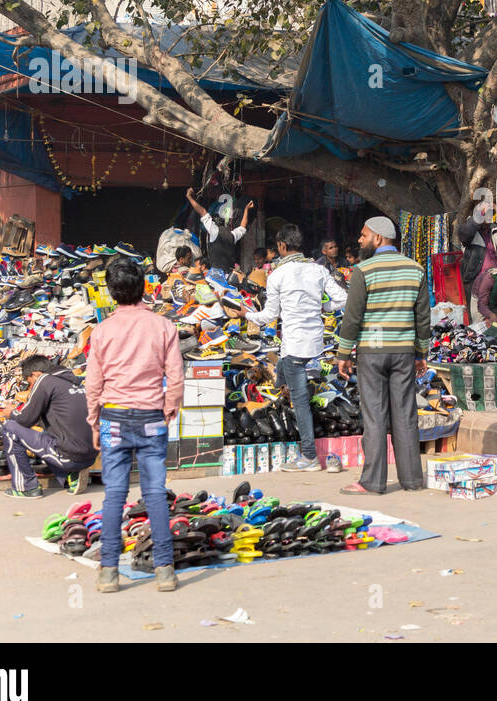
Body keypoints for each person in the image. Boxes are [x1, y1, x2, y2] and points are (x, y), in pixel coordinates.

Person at [86, 256, 184, 594]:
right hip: (151, 417)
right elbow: (175, 375)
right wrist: (169, 409)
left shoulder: (101, 331)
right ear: (143, 288)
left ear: (111, 292)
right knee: (155, 492)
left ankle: (108, 572)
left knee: (114, 493)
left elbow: (93, 384)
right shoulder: (163, 326)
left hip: (113, 417)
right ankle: (165, 572)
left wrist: (94, 422)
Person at [335, 217, 430, 495]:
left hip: (372, 352)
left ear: (378, 238)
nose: (360, 240)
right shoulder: (416, 270)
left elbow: (353, 318)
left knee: (375, 416)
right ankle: (412, 480)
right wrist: (421, 351)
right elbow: (422, 317)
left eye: (364, 235)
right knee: (405, 415)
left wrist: (344, 353)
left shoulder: (363, 270)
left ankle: (373, 482)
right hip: (403, 353)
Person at [246, 224, 348, 471]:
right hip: (315, 343)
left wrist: (248, 315)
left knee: (300, 401)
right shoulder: (318, 270)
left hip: (294, 345)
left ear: (281, 246)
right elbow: (343, 298)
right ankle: (280, 385)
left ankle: (309, 456)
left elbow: (271, 313)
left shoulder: (277, 275)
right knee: (282, 368)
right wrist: (324, 308)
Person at [2, 356, 96, 498]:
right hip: (90, 456)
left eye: (29, 381)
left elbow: (25, 419)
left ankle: (26, 487)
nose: (31, 386)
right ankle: (71, 474)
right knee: (48, 430)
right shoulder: (74, 381)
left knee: (10, 427)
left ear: (35, 374)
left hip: (70, 456)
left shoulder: (45, 380)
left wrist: (11, 413)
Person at [458, 205, 497, 325]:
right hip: (476, 283)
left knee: (496, 318)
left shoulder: (496, 230)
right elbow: (466, 232)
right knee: (479, 320)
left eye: (489, 215)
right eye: (484, 216)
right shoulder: (468, 233)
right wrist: (480, 213)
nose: (487, 219)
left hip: (496, 282)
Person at [184, 187, 252, 273]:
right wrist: (246, 209)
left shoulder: (214, 231)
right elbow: (243, 226)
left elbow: (202, 211)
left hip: (216, 275)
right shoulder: (232, 235)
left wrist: (189, 197)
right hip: (228, 274)